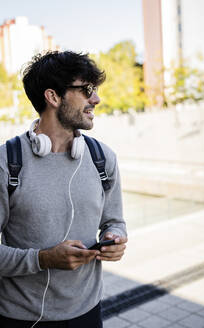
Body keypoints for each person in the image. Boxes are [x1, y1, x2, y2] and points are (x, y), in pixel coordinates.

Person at [0, 51, 127, 328]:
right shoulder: (5, 163)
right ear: (53, 97)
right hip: (20, 318)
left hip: (89, 312)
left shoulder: (103, 158)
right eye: (86, 90)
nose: (96, 99)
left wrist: (114, 237)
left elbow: (114, 221)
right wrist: (43, 259)